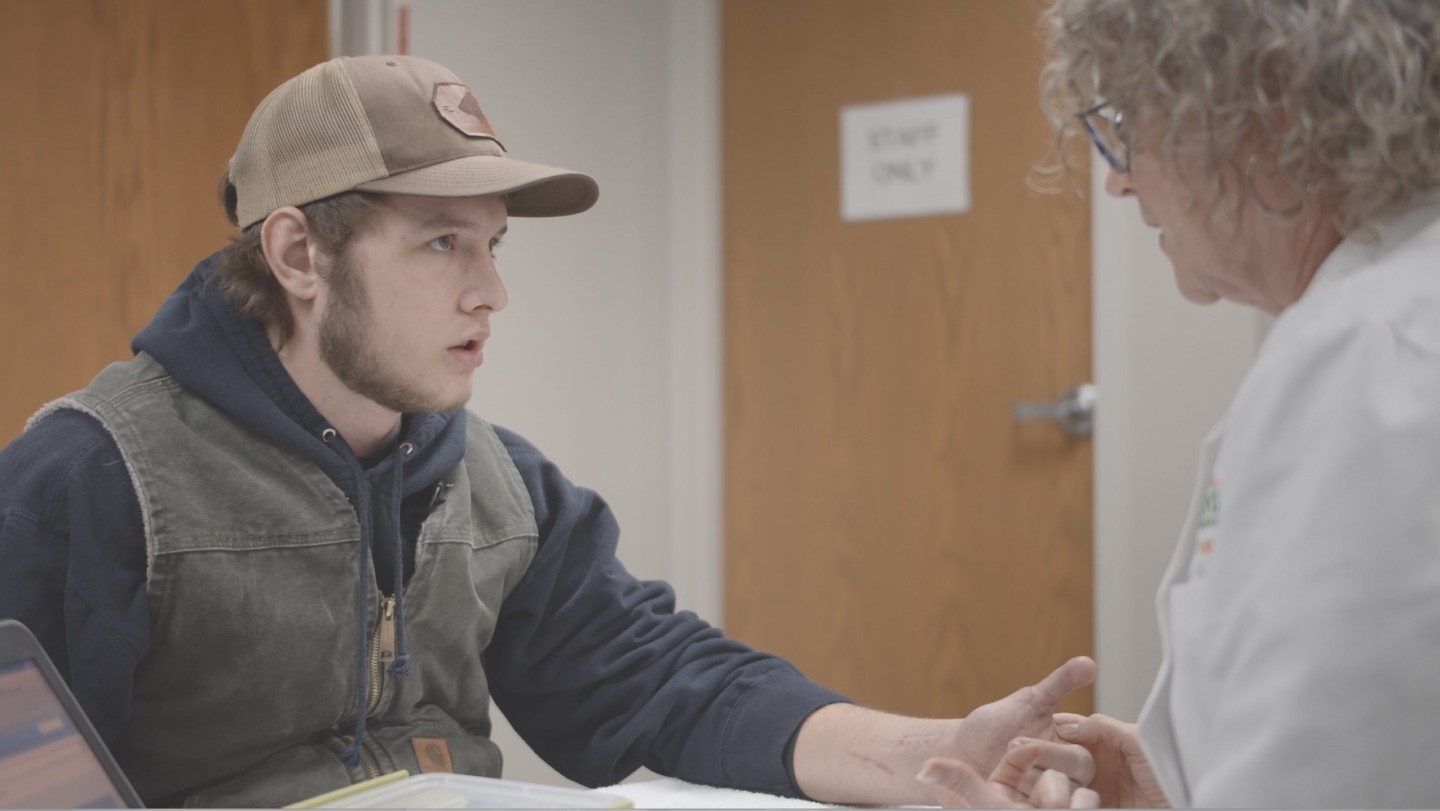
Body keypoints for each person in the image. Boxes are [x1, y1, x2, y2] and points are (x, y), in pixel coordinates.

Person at [0, 54, 1097, 808]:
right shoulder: (91, 480)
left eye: (495, 246)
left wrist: (931, 756)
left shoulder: (493, 480)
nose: (491, 294)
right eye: (441, 246)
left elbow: (662, 680)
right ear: (298, 256)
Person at [943, 0, 1440, 807]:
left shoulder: (1373, 362)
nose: (1118, 175)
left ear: (1266, 103)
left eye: (1131, 121)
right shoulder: (1376, 327)